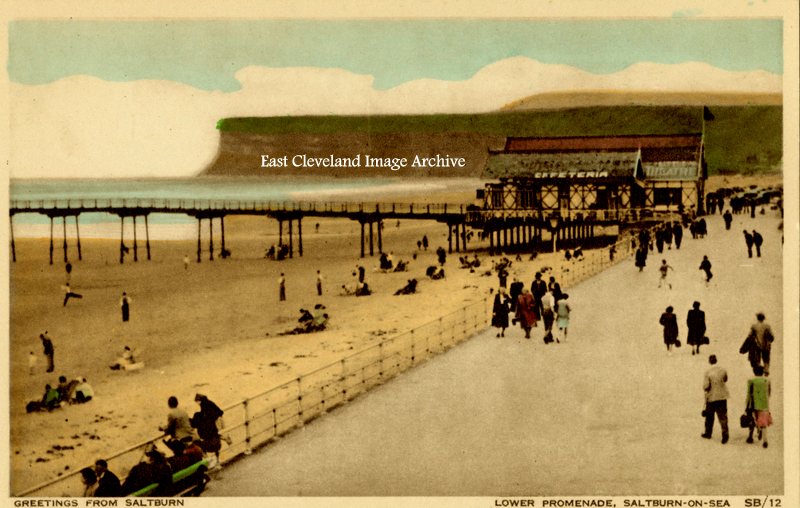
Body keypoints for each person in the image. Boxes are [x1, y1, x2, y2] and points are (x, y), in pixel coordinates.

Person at [702, 355, 729, 444]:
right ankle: (725, 434)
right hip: (722, 396)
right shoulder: (723, 370)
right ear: (716, 360)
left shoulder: (707, 372)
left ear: (709, 361)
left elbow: (706, 386)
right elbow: (725, 380)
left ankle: (708, 433)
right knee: (723, 417)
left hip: (712, 397)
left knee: (709, 417)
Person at [190, 393, 225, 464]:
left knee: (197, 444)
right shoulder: (209, 403)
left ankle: (207, 461)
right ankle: (217, 460)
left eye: (197, 401)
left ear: (199, 400)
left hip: (209, 442)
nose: (197, 403)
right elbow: (220, 412)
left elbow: (195, 424)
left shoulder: (203, 409)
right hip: (216, 439)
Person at [745, 365, 772, 448]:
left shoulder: (751, 381)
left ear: (754, 372)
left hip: (754, 403)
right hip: (764, 403)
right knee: (763, 422)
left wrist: (746, 404)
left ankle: (750, 436)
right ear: (762, 372)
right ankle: (765, 440)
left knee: (753, 419)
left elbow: (749, 394)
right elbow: (769, 393)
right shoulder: (767, 380)